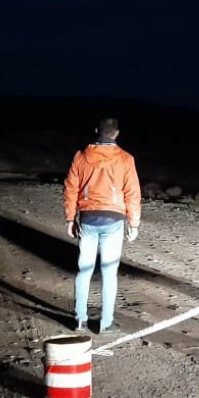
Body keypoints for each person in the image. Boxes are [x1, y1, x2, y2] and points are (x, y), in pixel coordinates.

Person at [63, 117, 141, 334]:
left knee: (84, 270)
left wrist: (70, 219)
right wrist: (133, 223)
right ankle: (106, 323)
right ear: (116, 133)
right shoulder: (126, 159)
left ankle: (80, 320)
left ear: (96, 130)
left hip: (88, 218)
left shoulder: (81, 156)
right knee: (109, 273)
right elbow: (132, 193)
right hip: (114, 220)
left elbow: (70, 189)